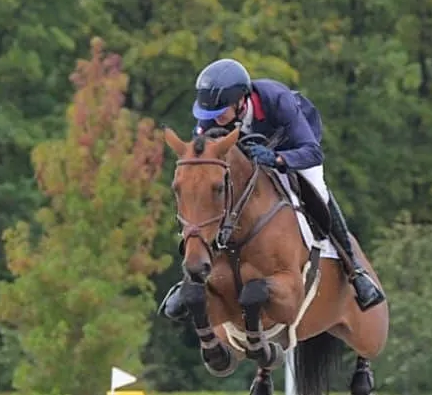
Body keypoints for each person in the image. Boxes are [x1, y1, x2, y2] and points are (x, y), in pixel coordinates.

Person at [159, 57, 386, 320]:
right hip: (245, 154)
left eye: (221, 114)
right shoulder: (210, 117)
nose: (215, 122)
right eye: (210, 117)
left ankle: (355, 271)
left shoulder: (278, 101)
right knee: (206, 199)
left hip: (294, 147)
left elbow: (313, 152)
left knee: (318, 190)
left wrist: (278, 159)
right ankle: (191, 279)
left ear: (241, 101)